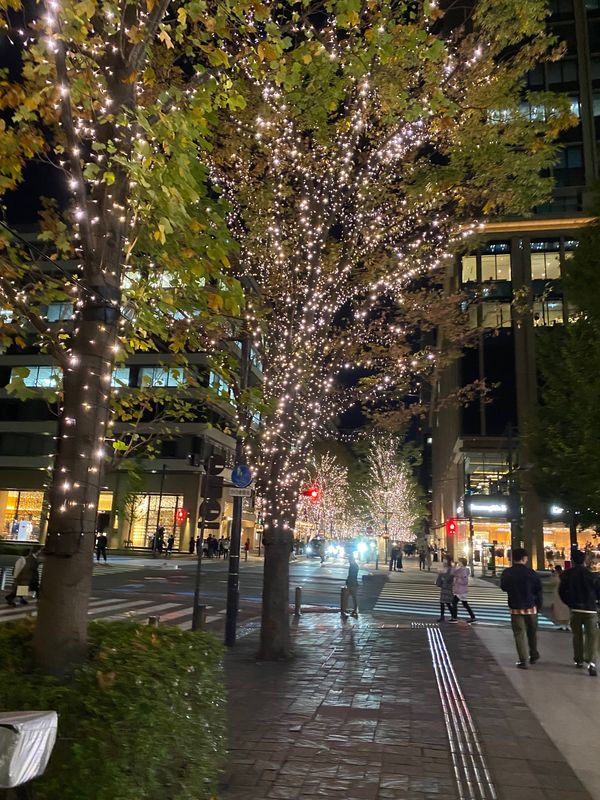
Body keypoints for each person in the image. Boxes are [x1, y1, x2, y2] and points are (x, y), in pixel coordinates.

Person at [559, 549, 600, 676]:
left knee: (577, 635)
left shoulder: (567, 574)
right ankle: (592, 661)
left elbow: (561, 591)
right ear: (584, 561)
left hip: (575, 609)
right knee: (592, 636)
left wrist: (569, 603)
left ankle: (579, 659)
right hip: (591, 609)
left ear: (572, 560)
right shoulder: (592, 575)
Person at [500, 547, 543, 669]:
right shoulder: (532, 573)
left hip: (515, 607)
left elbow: (504, 587)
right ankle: (533, 654)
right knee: (532, 632)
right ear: (525, 558)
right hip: (531, 607)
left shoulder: (507, 573)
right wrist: (538, 605)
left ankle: (522, 659)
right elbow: (539, 590)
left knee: (519, 633)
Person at [451, 558, 476, 623]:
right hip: (460, 590)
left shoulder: (464, 570)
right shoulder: (460, 569)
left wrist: (457, 580)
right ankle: (473, 617)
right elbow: (453, 572)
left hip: (461, 591)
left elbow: (465, 581)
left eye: (459, 562)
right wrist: (454, 566)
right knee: (465, 604)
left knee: (454, 602)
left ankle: (454, 618)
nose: (458, 563)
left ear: (462, 563)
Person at [549, 564, 570, 631]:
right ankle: (566, 625)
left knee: (560, 610)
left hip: (558, 594)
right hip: (565, 594)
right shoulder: (565, 575)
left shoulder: (556, 576)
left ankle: (563, 625)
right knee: (565, 610)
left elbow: (552, 582)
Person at [436, 557, 456, 622]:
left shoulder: (451, 569)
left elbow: (448, 578)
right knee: (442, 602)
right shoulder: (444, 569)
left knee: (448, 603)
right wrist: (440, 574)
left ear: (448, 562)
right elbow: (440, 579)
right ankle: (442, 616)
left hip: (448, 588)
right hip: (443, 587)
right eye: (443, 561)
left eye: (445, 561)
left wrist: (443, 574)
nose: (444, 563)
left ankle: (453, 616)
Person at [343, 553, 359, 618]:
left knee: (347, 597)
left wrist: (348, 581)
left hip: (352, 584)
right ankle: (353, 609)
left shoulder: (353, 566)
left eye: (349, 560)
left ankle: (346, 609)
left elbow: (352, 575)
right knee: (352, 597)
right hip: (353, 583)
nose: (349, 561)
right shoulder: (354, 565)